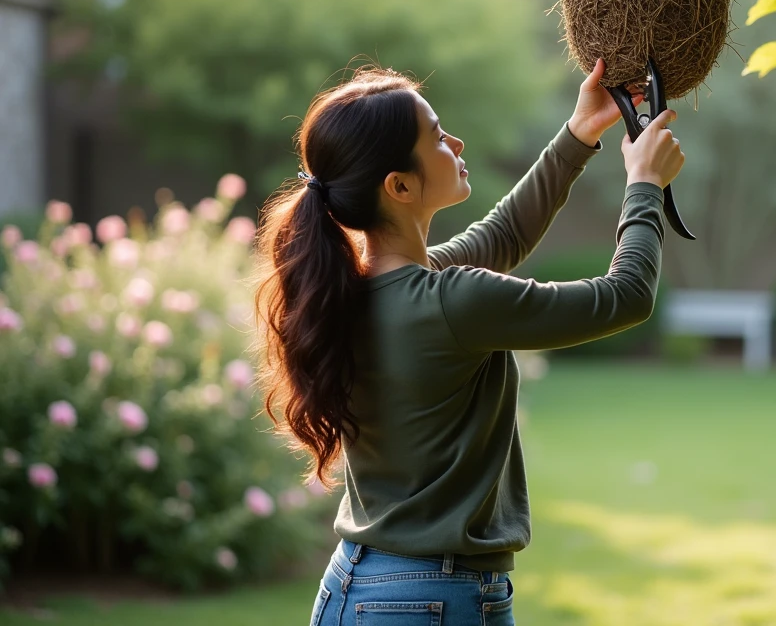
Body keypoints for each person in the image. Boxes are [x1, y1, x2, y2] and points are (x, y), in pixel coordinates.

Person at [251, 57, 684, 626]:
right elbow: (626, 296)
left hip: (355, 588)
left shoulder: (358, 294)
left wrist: (580, 132)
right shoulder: (449, 301)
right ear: (399, 185)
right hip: (433, 599)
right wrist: (645, 186)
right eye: (435, 135)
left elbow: (502, 235)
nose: (454, 141)